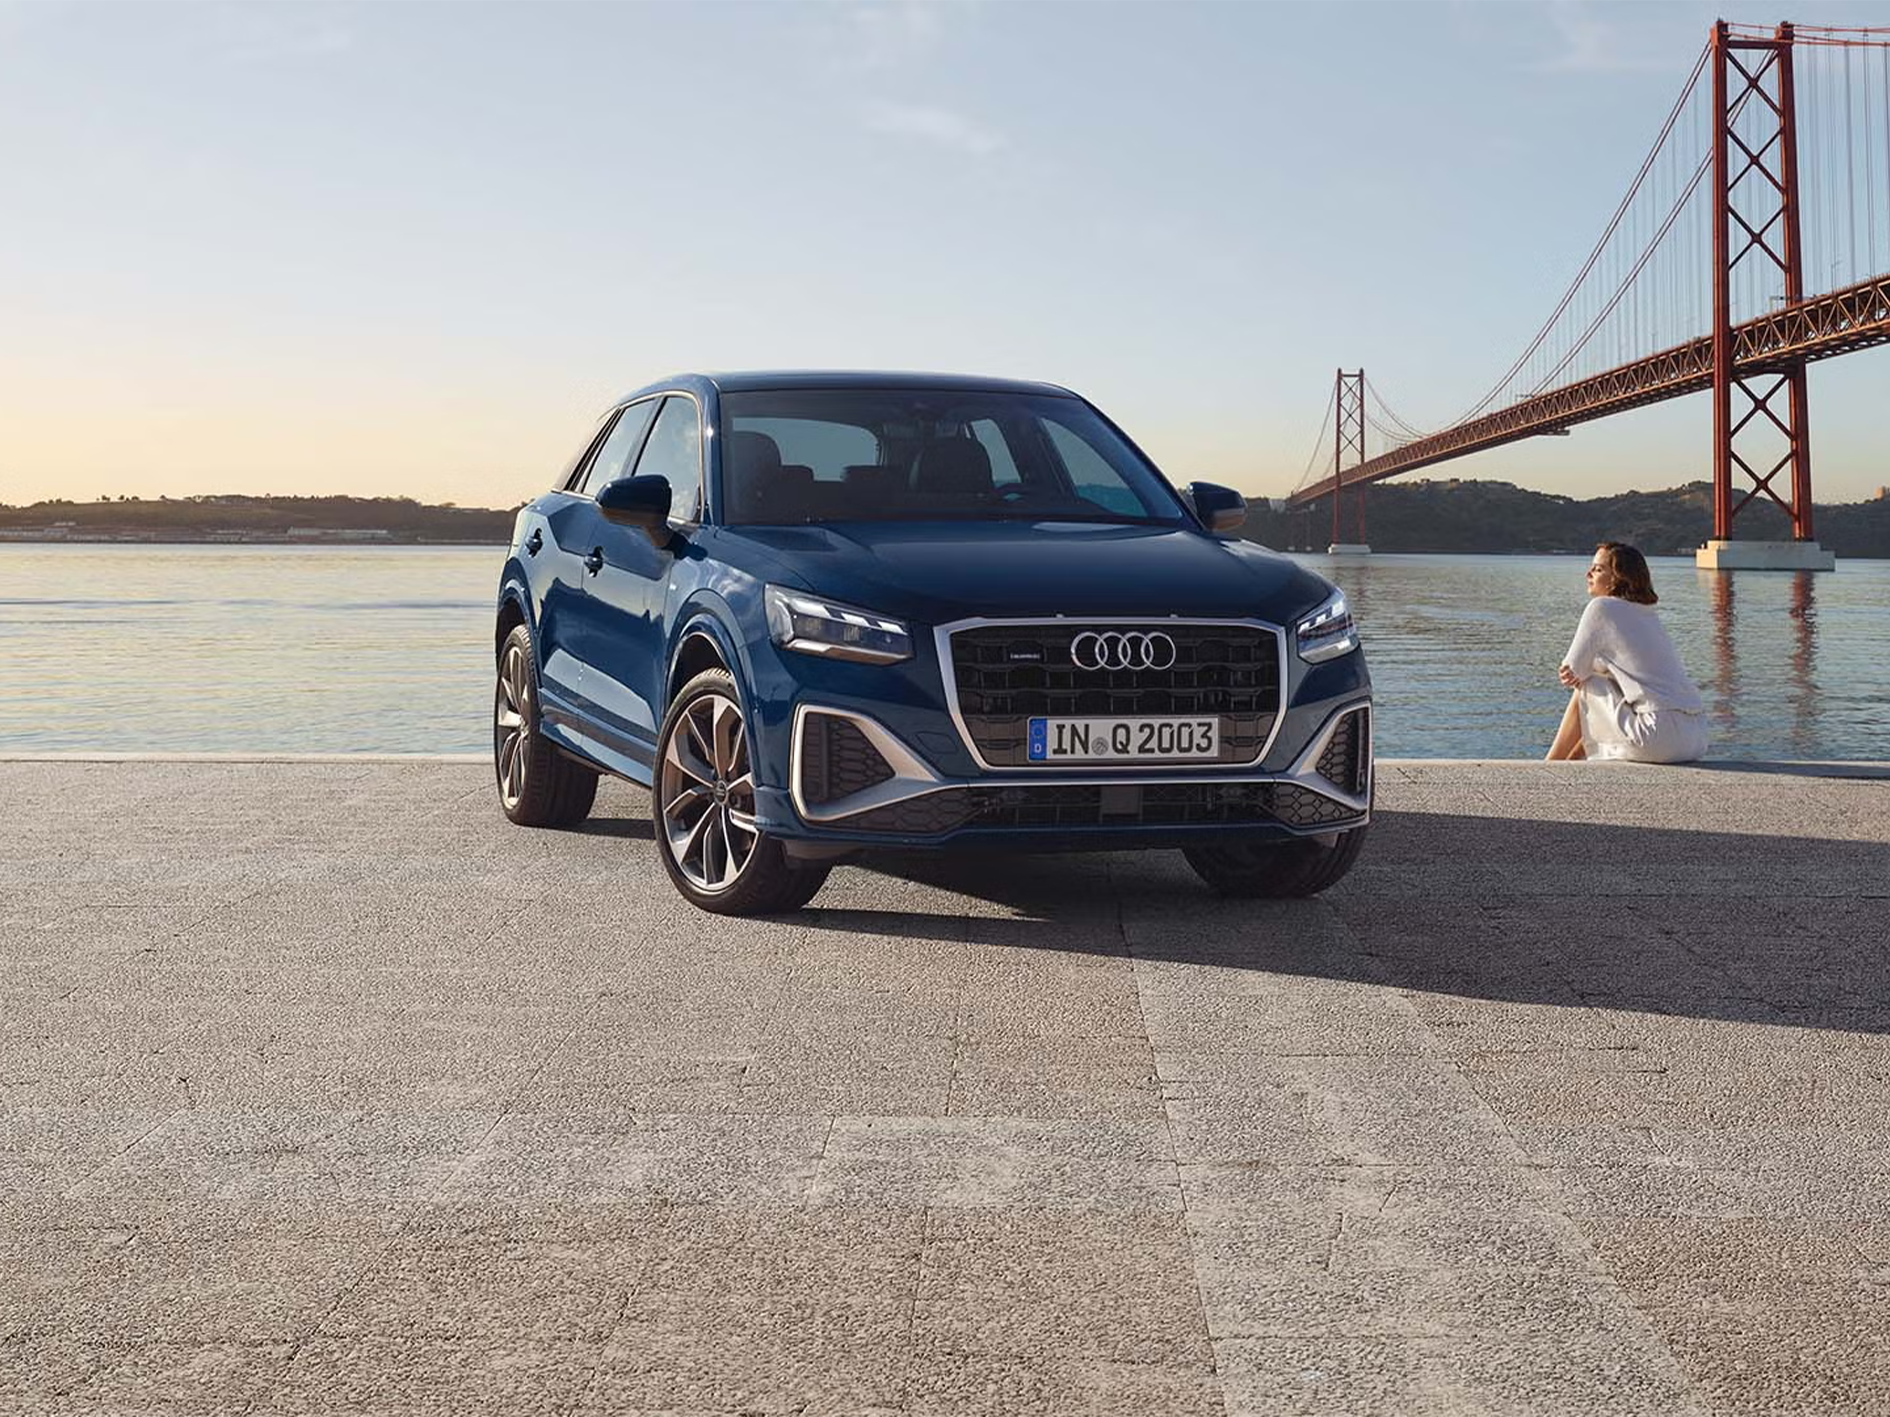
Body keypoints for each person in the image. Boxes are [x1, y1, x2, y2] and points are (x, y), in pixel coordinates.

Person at [1545, 541, 1707, 763]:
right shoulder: (1648, 614)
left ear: (1618, 578)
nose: (1588, 574)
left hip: (1659, 737)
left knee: (1589, 683)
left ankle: (1550, 763)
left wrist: (1582, 671)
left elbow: (1572, 672)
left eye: (1598, 569)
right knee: (1603, 681)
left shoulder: (1601, 607)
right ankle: (1569, 763)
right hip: (1696, 737)